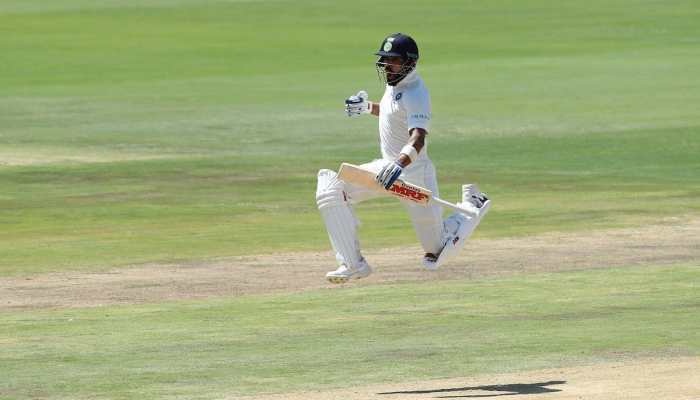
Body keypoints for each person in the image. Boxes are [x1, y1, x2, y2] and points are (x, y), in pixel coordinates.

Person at [315, 33, 490, 284]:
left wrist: (399, 164)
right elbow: (392, 113)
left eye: (393, 60)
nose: (387, 66)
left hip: (414, 175)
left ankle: (472, 204)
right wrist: (367, 108)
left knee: (436, 251)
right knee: (330, 188)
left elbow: (417, 138)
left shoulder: (416, 93)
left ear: (409, 63)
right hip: (387, 168)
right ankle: (352, 264)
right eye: (385, 60)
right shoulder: (393, 83)